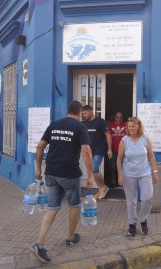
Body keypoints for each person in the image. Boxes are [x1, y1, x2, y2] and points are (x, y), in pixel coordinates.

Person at [30, 101, 93, 264]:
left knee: (52, 208)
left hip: (50, 172)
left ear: (68, 111)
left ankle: (40, 244)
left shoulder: (54, 124)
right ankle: (71, 237)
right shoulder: (80, 127)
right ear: (80, 113)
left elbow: (39, 147)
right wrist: (90, 175)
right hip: (69, 174)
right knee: (74, 205)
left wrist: (38, 169)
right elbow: (86, 150)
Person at [117, 116, 158, 237]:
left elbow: (151, 156)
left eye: (134, 126)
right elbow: (119, 159)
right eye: (129, 126)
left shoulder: (145, 139)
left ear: (138, 126)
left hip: (144, 173)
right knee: (131, 201)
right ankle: (132, 224)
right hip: (128, 174)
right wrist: (120, 175)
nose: (131, 128)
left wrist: (154, 171)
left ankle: (143, 220)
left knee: (147, 197)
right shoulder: (124, 140)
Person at [82, 105, 112, 199]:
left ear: (91, 111)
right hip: (89, 151)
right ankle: (100, 189)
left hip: (99, 149)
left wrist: (109, 149)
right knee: (93, 171)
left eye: (85, 113)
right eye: (82, 113)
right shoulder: (84, 123)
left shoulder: (100, 121)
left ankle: (103, 188)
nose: (84, 115)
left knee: (94, 169)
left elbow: (108, 135)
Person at [107, 111, 126, 186]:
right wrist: (109, 149)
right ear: (115, 117)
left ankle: (122, 180)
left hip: (123, 151)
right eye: (118, 117)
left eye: (121, 117)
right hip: (113, 150)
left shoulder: (126, 125)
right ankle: (113, 179)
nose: (119, 119)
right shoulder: (109, 125)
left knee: (123, 166)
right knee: (112, 167)